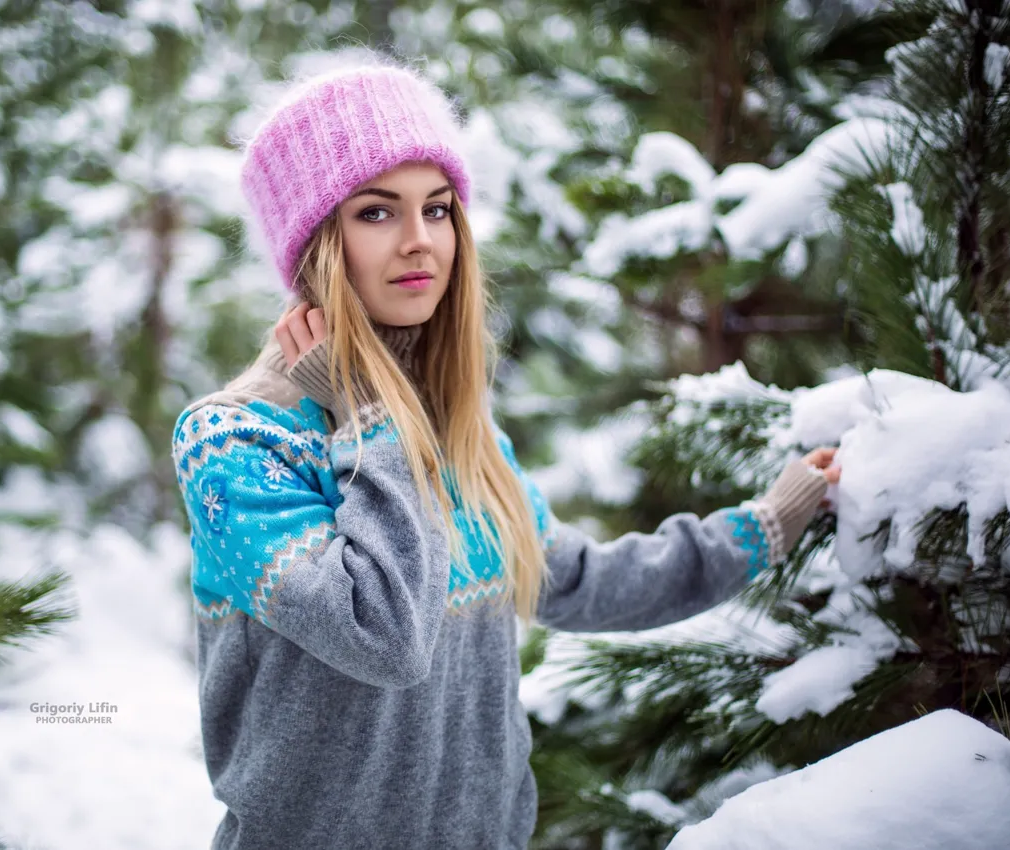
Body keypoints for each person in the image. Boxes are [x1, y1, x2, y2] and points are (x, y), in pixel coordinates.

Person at [170, 59, 840, 850]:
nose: (421, 241)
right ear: (318, 242)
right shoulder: (237, 441)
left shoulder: (461, 434)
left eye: (439, 208)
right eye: (377, 213)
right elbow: (383, 635)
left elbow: (580, 581)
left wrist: (764, 524)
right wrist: (370, 416)